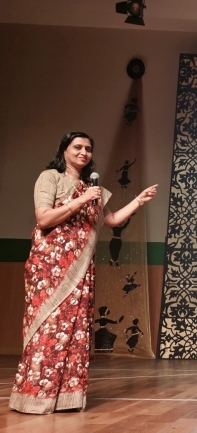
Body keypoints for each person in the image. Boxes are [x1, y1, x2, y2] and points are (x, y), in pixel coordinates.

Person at [9, 132, 158, 415]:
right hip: (50, 266)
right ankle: (35, 397)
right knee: (48, 328)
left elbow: (111, 220)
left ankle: (67, 398)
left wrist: (138, 200)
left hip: (81, 268)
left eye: (88, 148)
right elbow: (44, 218)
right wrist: (81, 199)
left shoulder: (93, 188)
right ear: (64, 150)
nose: (84, 152)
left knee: (75, 328)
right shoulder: (50, 177)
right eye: (77, 147)